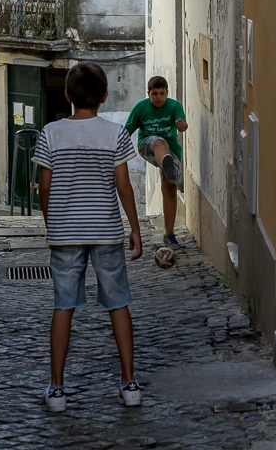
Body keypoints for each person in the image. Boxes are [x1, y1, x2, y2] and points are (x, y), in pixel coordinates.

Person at [34, 62, 143, 414]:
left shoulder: (51, 133)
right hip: (107, 232)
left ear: (67, 95)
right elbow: (123, 186)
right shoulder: (115, 134)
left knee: (63, 305)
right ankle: (129, 383)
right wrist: (135, 228)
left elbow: (45, 186)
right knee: (118, 303)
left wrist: (53, 223)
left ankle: (57, 389)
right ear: (105, 96)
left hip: (65, 233)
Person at [125, 76, 188, 249]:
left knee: (169, 187)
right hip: (148, 145)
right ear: (148, 94)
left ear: (167, 93)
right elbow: (126, 131)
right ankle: (166, 163)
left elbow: (183, 127)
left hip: (172, 150)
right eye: (154, 94)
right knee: (160, 142)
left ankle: (169, 234)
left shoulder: (174, 106)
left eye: (162, 93)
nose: (158, 97)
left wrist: (181, 125)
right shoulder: (140, 107)